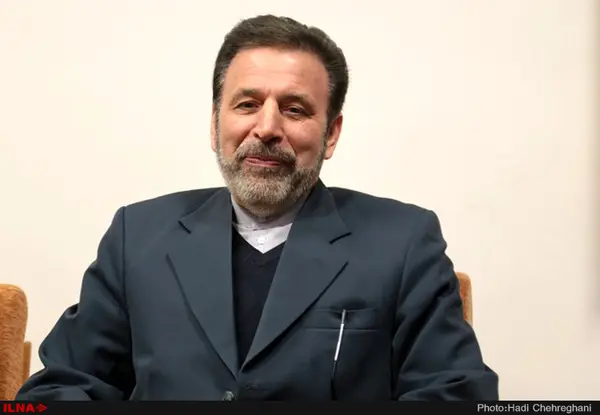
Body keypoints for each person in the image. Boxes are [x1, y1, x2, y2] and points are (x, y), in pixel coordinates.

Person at [16, 14, 498, 401]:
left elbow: (455, 393)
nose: (266, 128)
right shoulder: (136, 236)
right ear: (215, 124)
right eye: (247, 104)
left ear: (331, 134)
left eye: (294, 109)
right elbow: (63, 387)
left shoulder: (404, 242)